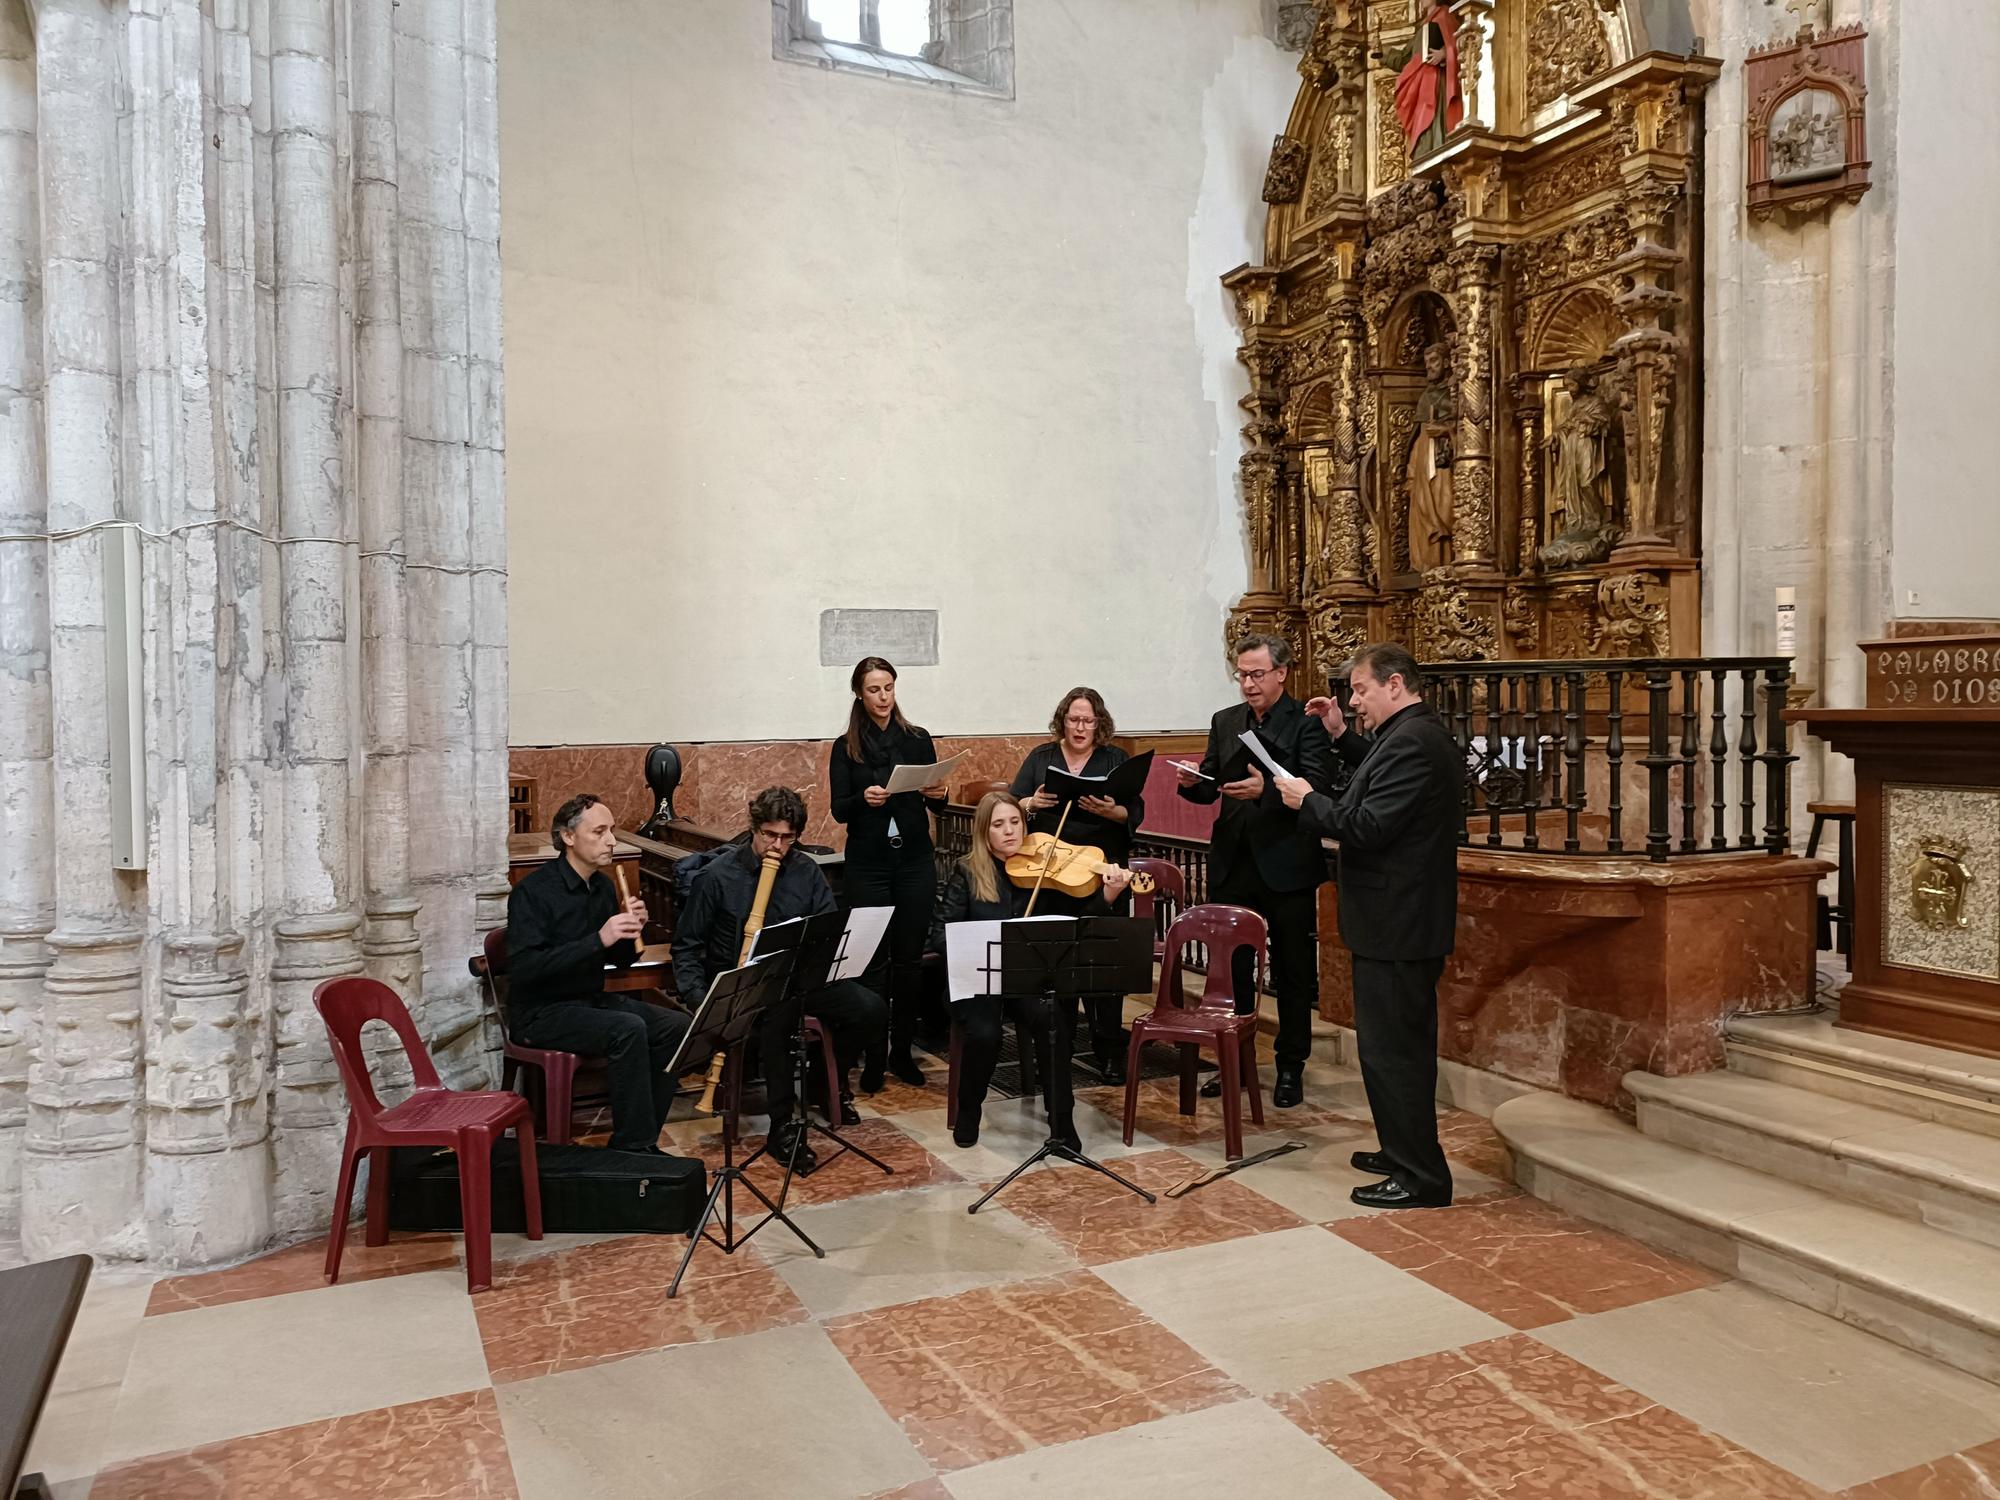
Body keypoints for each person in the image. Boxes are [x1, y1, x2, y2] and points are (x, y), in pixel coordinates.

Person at [1274, 642, 1459, 1209]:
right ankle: (1399, 1148)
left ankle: (1420, 1176)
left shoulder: (1416, 743)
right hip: (1395, 920)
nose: (1353, 701)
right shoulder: (1409, 736)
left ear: (1395, 685)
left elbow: (1370, 824)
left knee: (1394, 1051)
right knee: (1389, 1048)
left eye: (1360, 690)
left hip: (1399, 923)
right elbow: (1376, 778)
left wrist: (1307, 801)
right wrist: (1339, 737)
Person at [672, 786, 887, 1167]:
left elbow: (826, 931)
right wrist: (701, 1000)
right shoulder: (717, 877)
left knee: (870, 1008)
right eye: (769, 835)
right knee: (780, 1016)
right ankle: (782, 1126)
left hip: (799, 978)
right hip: (743, 987)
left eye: (788, 838)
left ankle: (824, 1079)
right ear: (754, 829)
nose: (778, 845)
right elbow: (687, 947)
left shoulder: (806, 872)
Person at [1175, 633, 1333, 1109]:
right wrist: (1193, 783)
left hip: (1286, 863)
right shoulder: (1225, 721)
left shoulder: (1304, 722)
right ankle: (1237, 1064)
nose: (1247, 684)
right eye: (1241, 674)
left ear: (1281, 673)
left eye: (1257, 674)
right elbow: (1212, 783)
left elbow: (1318, 789)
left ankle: (1290, 1068)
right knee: (1233, 971)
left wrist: (1267, 790)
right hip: (1235, 861)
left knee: (1293, 971)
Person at [929, 790, 1129, 1149]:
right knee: (985, 1034)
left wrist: (1109, 896)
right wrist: (975, 945)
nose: (1009, 832)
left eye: (1015, 822)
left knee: (1055, 1023)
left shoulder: (1044, 870)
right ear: (983, 832)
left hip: (1027, 980)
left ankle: (1061, 1122)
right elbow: (940, 933)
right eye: (998, 825)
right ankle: (969, 1109)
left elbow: (1077, 925)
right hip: (980, 978)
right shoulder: (967, 871)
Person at [506, 795, 689, 1155]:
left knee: (677, 1027)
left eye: (612, 831)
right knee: (627, 1028)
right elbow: (526, 968)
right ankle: (632, 1148)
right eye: (600, 832)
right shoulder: (534, 892)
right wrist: (598, 938)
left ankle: (643, 1136)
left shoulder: (603, 887)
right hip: (541, 1011)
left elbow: (619, 962)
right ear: (569, 837)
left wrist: (631, 930)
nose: (611, 841)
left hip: (588, 1001)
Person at [1010, 686, 1145, 1083]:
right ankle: (1059, 1049)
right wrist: (1031, 804)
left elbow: (1133, 812)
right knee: (1060, 967)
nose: (1080, 727)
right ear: (1062, 721)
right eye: (1073, 719)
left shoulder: (1115, 759)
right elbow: (1013, 802)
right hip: (1052, 877)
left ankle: (1109, 1052)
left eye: (1088, 720)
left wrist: (1113, 811)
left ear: (1099, 723)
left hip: (1104, 874)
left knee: (1104, 967)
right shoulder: (1042, 758)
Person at [829, 656, 949, 1090]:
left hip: (914, 859)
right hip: (870, 862)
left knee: (909, 961)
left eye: (889, 688)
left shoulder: (917, 739)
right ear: (860, 693)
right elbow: (838, 808)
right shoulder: (846, 746)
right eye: (874, 689)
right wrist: (865, 799)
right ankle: (875, 1057)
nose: (883, 697)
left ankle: (903, 1053)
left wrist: (941, 793)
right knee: (874, 963)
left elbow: (936, 803)